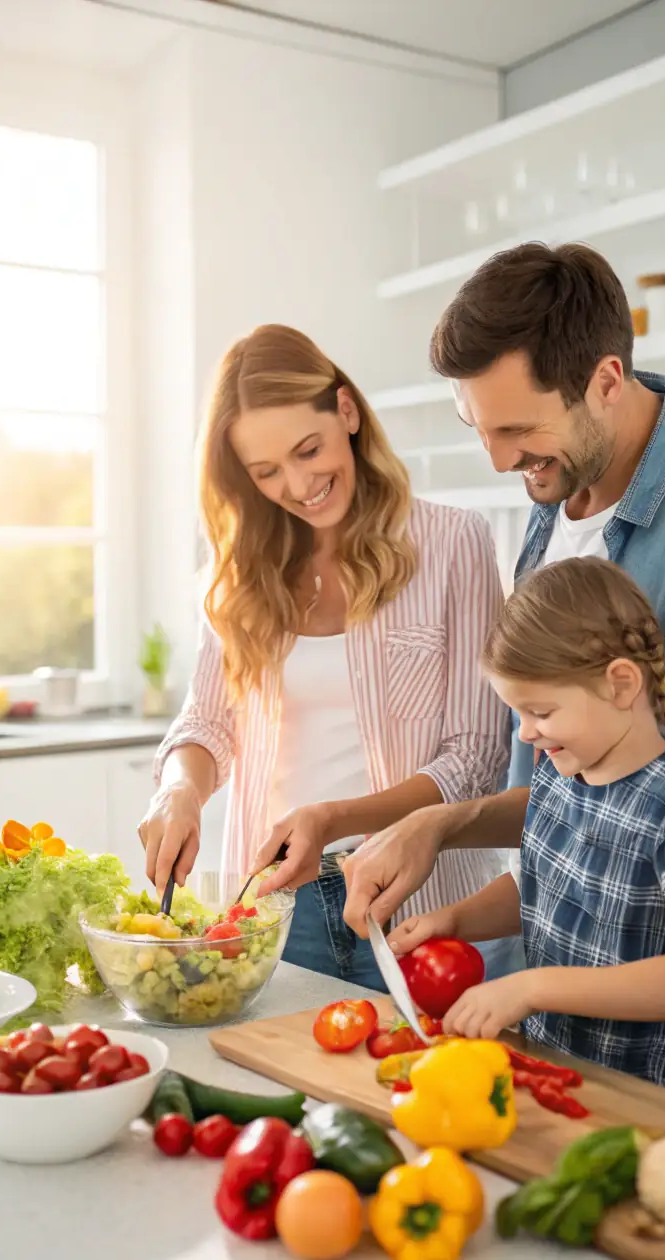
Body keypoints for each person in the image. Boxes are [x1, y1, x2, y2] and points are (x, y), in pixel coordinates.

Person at [342, 243, 665, 1100]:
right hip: (547, 1002)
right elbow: (569, 816)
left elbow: (643, 804)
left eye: (517, 431)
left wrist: (446, 825)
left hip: (653, 1040)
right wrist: (440, 831)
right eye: (481, 430)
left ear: (606, 379)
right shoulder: (565, 482)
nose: (499, 460)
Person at [138, 323, 511, 992]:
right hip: (278, 904)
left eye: (308, 450)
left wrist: (334, 817)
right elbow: (206, 724)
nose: (299, 482)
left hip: (411, 902)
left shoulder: (455, 543)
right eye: (266, 471)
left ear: (346, 410)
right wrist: (178, 789)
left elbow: (475, 758)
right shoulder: (240, 574)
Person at [388, 557, 665, 1100]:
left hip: (646, 1098)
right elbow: (544, 888)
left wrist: (534, 987)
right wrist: (455, 920)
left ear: (621, 683)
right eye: (519, 715)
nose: (528, 734)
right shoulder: (561, 770)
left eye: (542, 712)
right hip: (560, 1071)